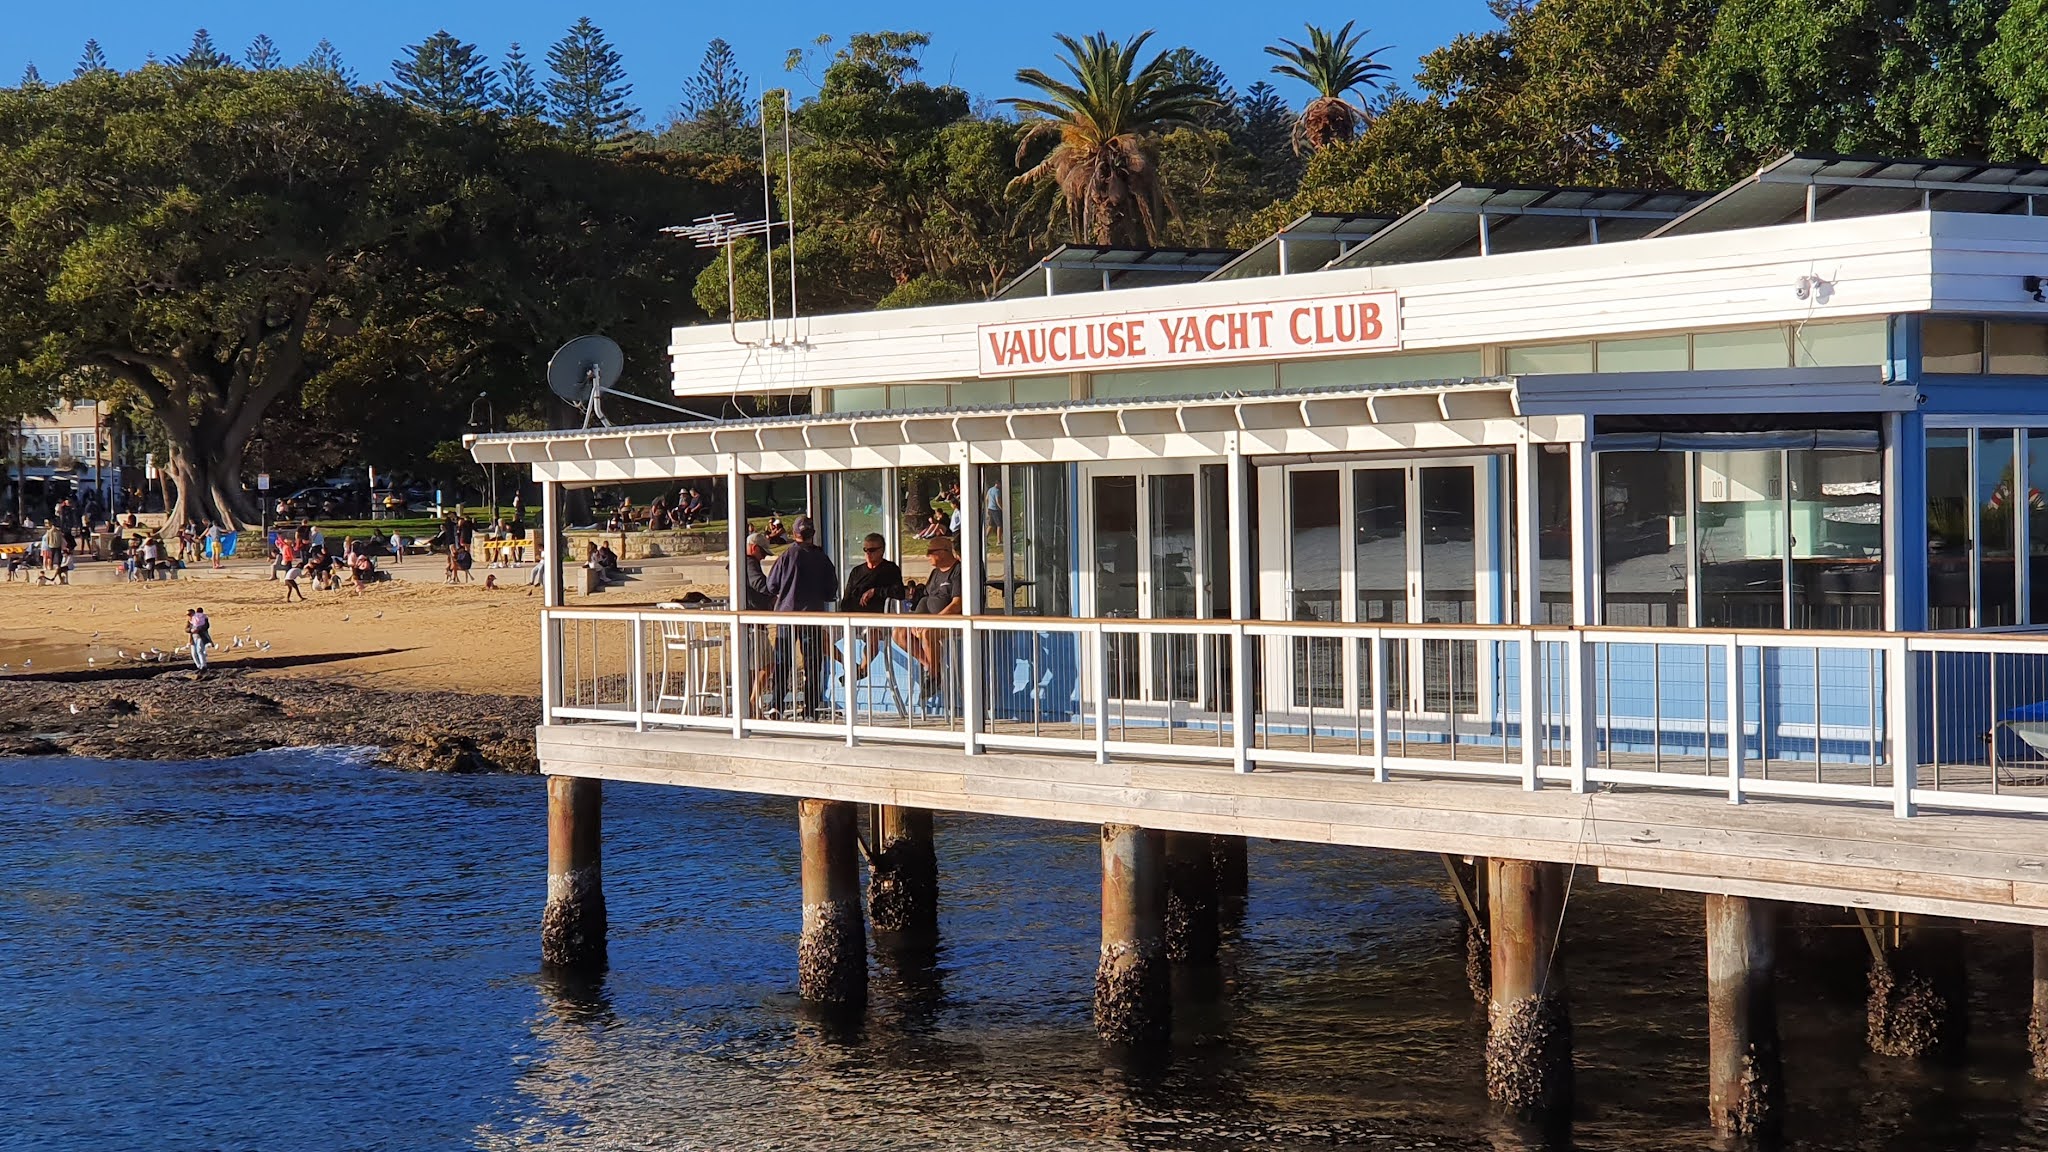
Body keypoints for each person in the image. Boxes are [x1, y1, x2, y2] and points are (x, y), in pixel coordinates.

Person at [762, 516, 837, 721]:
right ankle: (810, 709)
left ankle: (776, 705)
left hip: (786, 614)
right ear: (812, 534)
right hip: (811, 615)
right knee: (812, 663)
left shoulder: (787, 555)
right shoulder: (821, 558)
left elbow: (771, 586)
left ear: (795, 534)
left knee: (782, 661)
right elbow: (831, 590)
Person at [838, 532, 904, 684]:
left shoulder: (890, 569)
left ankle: (862, 670)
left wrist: (875, 591)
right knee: (823, 635)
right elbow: (846, 598)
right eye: (865, 550)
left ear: (882, 550)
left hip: (877, 620)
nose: (868, 553)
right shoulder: (857, 571)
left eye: (872, 550)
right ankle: (848, 666)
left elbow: (899, 593)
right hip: (853, 619)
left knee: (873, 633)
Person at [909, 534, 964, 710]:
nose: (927, 555)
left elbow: (957, 604)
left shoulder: (958, 570)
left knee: (927, 632)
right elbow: (925, 599)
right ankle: (930, 666)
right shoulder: (934, 573)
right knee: (899, 633)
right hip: (931, 619)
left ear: (946, 551)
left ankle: (933, 676)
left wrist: (935, 620)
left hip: (954, 622)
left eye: (931, 551)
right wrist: (916, 620)